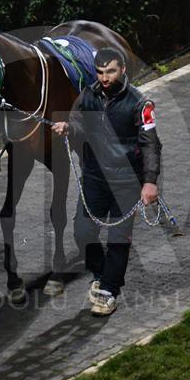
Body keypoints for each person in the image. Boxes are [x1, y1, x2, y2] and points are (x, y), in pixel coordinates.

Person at [51, 47, 162, 315]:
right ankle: (101, 274)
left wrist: (149, 182)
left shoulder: (140, 103)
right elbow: (79, 124)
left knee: (118, 239)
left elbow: (151, 145)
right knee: (82, 231)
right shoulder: (88, 95)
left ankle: (109, 291)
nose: (104, 77)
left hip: (127, 182)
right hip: (94, 177)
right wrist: (68, 127)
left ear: (122, 69)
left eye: (110, 71)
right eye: (100, 72)